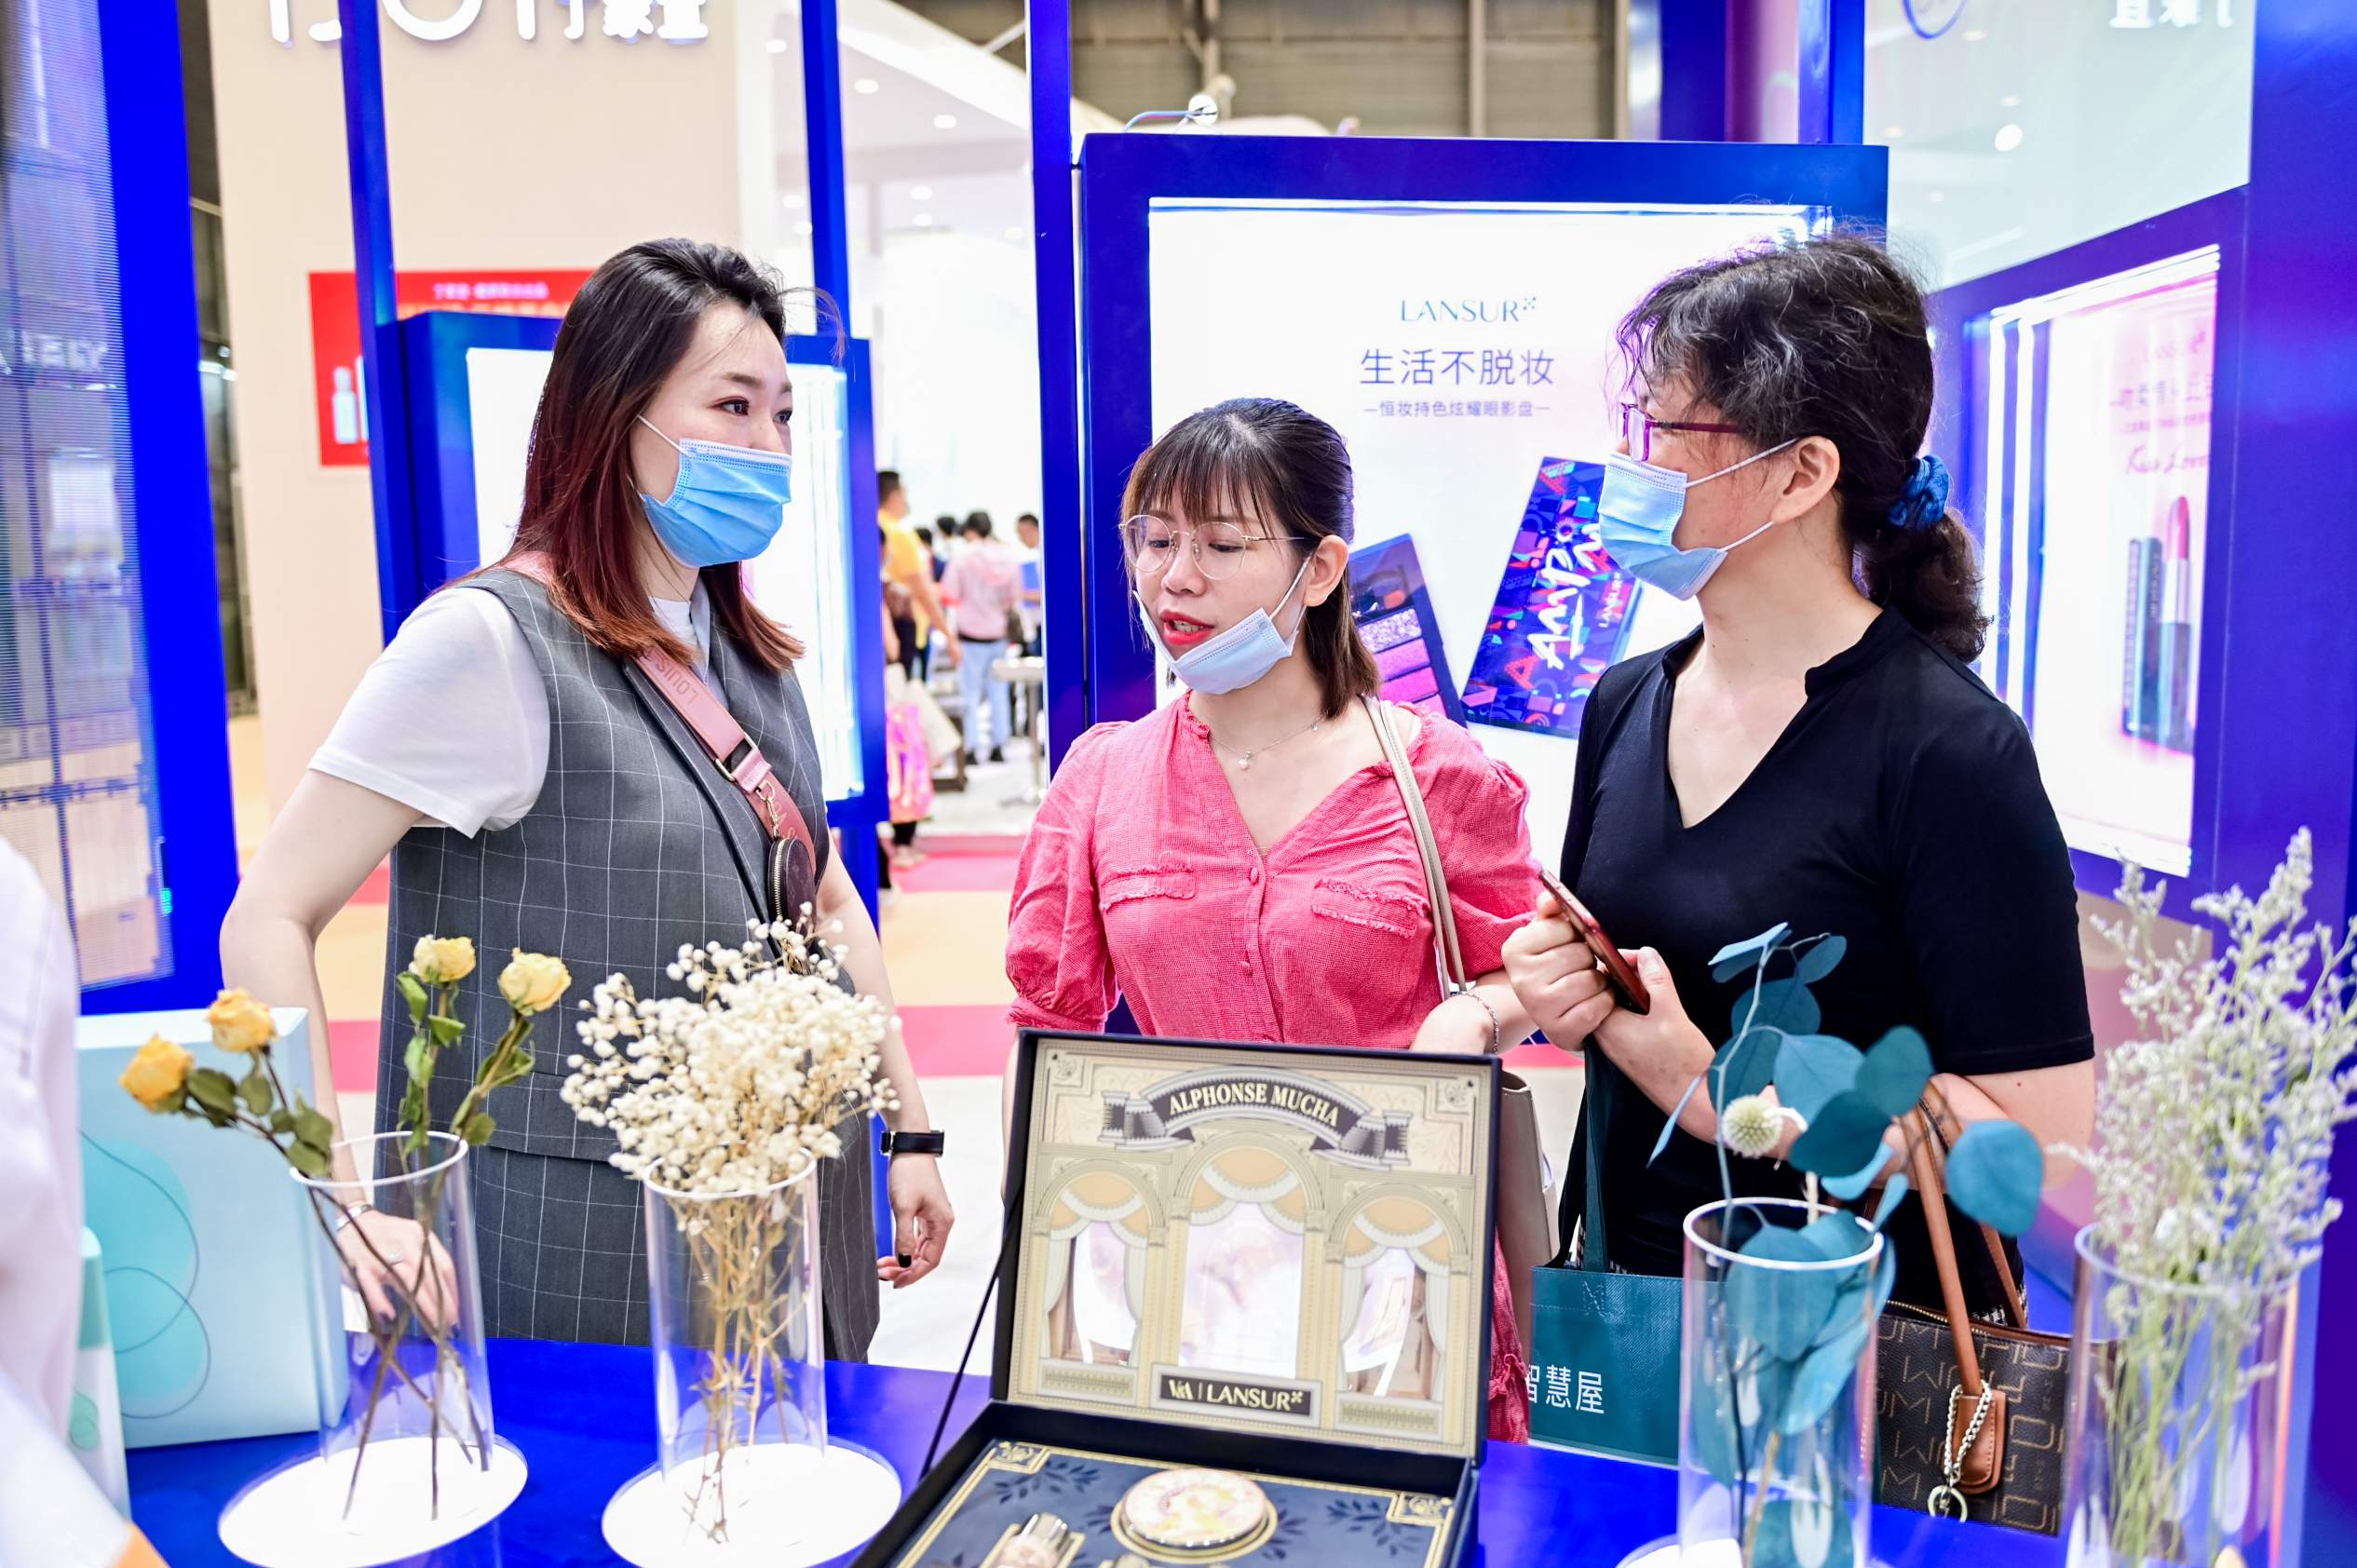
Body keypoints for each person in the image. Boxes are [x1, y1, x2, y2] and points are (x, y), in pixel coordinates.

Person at [222, 239, 954, 1355]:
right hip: (570, 1245)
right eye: (732, 407)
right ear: (617, 416)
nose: (768, 448)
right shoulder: (486, 641)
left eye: (782, 415)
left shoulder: (746, 649)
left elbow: (822, 898)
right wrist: (343, 1204)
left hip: (780, 1213)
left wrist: (909, 1125)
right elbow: (268, 914)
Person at [1499, 236, 2094, 1316]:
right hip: (1632, 1314)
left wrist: (1718, 1099)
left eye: (1662, 431)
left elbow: (2034, 1139)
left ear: (1800, 473)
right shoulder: (1624, 700)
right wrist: (1562, 986)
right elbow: (1633, 989)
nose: (1626, 462)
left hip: (1849, 1345)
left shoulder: (1949, 750)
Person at [1003, 397, 1537, 1438]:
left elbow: (1529, 965)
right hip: (1182, 1269)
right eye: (1154, 539)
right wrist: (1049, 1266)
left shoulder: (1434, 774)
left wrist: (1471, 1016)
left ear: (1321, 569)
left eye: (1219, 545)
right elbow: (1047, 1031)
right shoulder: (1103, 778)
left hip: (1398, 1262)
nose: (1172, 577)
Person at [940, 512, 1023, 764]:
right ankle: (999, 745)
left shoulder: (962, 556)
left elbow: (949, 592)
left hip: (970, 635)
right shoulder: (1007, 556)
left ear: (969, 530)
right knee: (999, 692)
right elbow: (1014, 598)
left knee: (970, 694)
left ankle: (972, 748)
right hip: (998, 634)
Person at [880, 471, 955, 680]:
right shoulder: (900, 534)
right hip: (903, 627)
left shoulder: (873, 526)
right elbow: (921, 590)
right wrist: (948, 635)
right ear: (895, 496)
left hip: (883, 628)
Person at [1012, 512, 1044, 657]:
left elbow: (1049, 596)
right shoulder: (1037, 557)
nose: (1021, 540)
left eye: (1021, 535)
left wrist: (1021, 595)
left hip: (1045, 625)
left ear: (1032, 530)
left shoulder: (1045, 557)